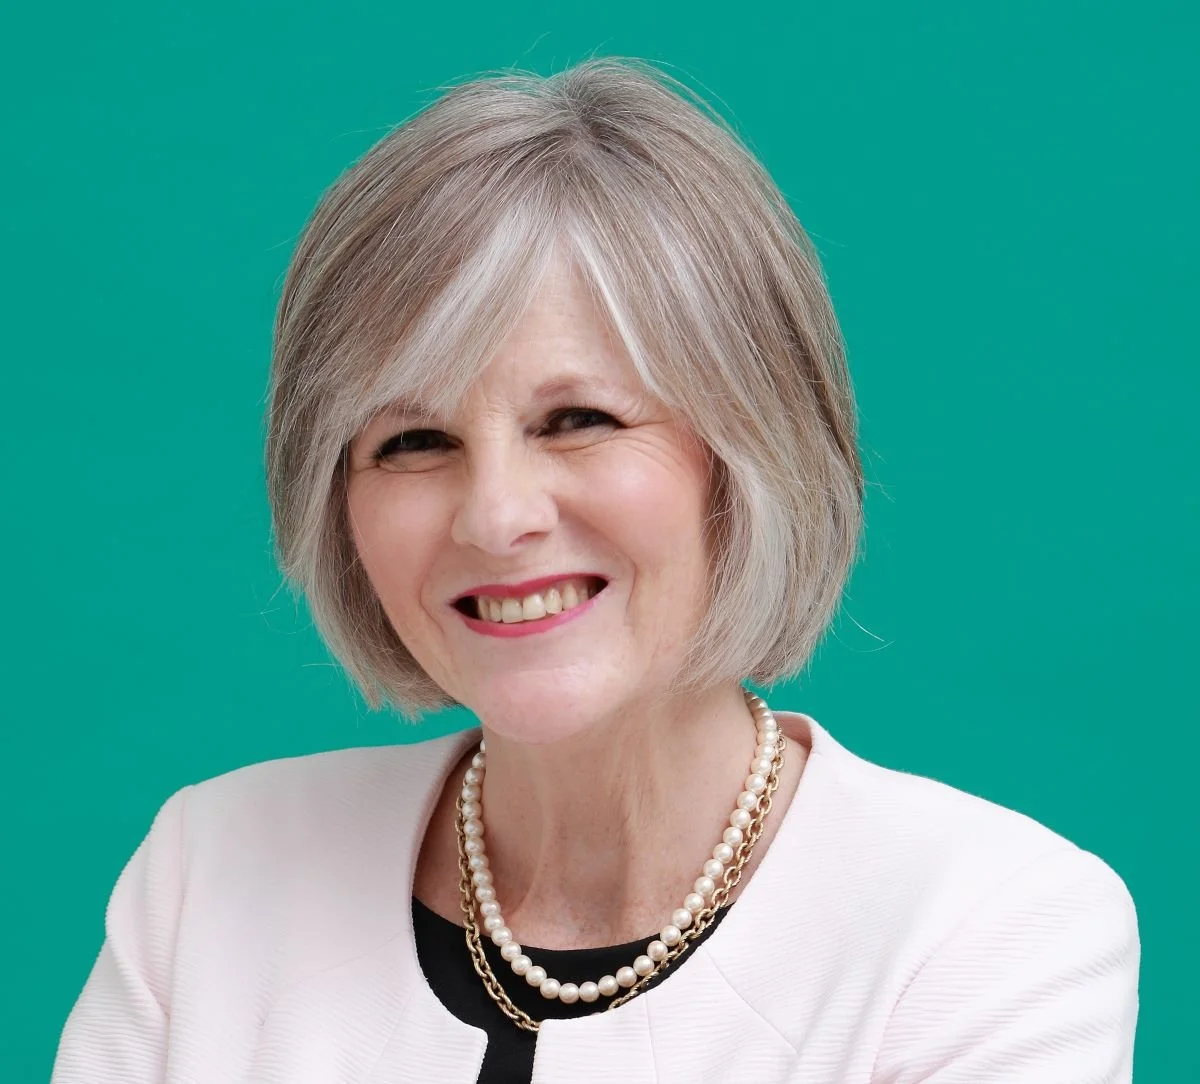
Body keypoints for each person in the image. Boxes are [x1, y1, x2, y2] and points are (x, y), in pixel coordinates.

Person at [51, 57, 1140, 1083]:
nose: (497, 515)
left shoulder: (990, 929)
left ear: (749, 453)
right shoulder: (209, 873)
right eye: (412, 442)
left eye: (578, 419)